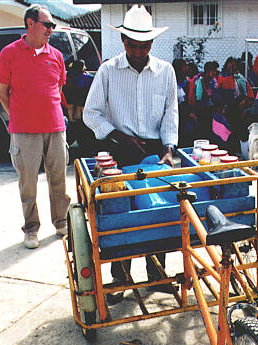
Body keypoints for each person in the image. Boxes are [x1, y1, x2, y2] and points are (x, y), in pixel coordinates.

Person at [83, 4, 178, 303]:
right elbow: (91, 113)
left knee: (157, 211)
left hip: (153, 152)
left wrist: (168, 149)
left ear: (152, 43)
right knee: (121, 216)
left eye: (144, 45)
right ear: (123, 42)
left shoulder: (165, 71)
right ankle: (119, 279)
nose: (138, 51)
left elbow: (170, 113)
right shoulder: (108, 70)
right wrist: (116, 136)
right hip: (118, 151)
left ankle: (157, 274)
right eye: (133, 45)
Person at [0, 4, 71, 249]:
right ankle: (31, 229)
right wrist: (18, 117)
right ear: (30, 23)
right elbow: (2, 93)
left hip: (55, 127)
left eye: (52, 26)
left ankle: (61, 222)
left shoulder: (56, 56)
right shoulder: (9, 53)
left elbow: (57, 90)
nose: (51, 29)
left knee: (58, 177)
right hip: (24, 131)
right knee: (28, 181)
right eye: (47, 25)